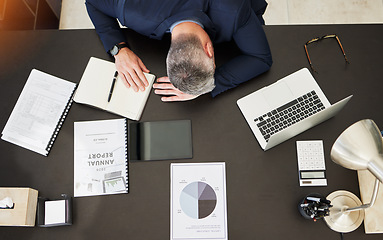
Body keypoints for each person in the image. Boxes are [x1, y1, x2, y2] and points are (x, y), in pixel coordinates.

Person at [85, 0, 273, 102]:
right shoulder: (132, 9)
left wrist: (209, 86)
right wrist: (118, 48)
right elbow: (92, 2)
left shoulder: (234, 9)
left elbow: (261, 58)